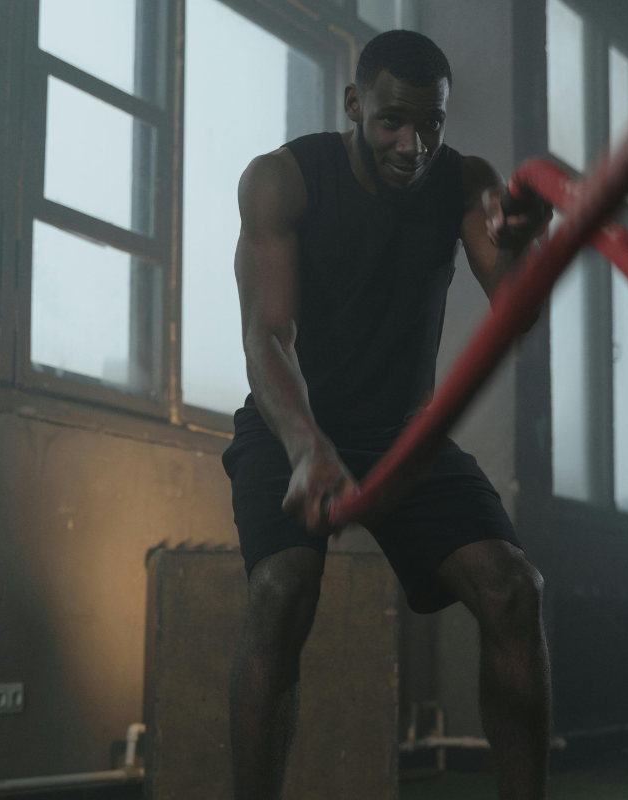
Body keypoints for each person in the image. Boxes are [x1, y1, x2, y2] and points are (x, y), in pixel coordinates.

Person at [221, 29, 553, 800]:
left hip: (407, 440)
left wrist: (526, 246)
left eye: (431, 123)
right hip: (290, 424)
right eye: (392, 122)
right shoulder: (282, 180)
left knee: (515, 589)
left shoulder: (464, 182)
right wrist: (306, 446)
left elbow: (517, 316)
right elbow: (267, 338)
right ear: (354, 105)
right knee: (280, 592)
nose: (414, 145)